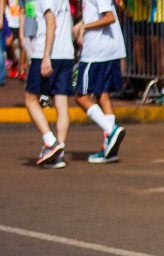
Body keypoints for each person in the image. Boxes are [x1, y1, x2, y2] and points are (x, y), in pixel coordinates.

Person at [72, 0, 127, 164]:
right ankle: (108, 150)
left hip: (96, 52)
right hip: (107, 51)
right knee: (102, 96)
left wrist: (84, 26)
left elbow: (110, 17)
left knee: (81, 97)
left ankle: (111, 130)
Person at [24, 0, 73, 168]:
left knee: (31, 100)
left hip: (49, 53)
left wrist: (46, 56)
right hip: (66, 53)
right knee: (61, 101)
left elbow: (51, 24)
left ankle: (51, 142)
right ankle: (59, 153)